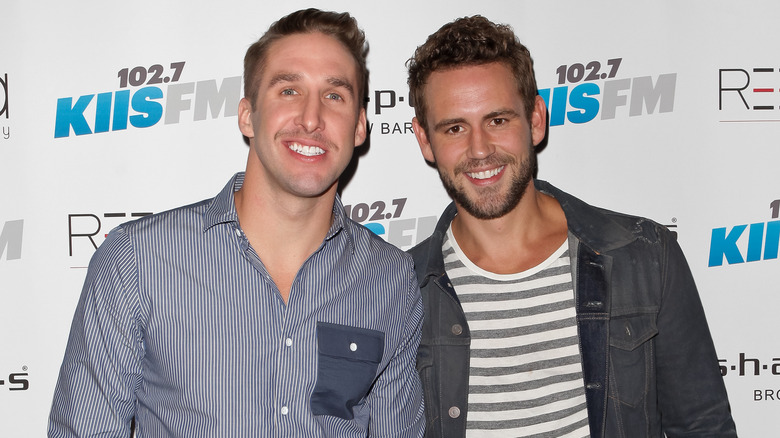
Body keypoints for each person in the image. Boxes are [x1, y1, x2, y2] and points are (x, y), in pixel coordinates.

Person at [48, 9, 425, 437]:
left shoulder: (390, 279)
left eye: (334, 96)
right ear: (247, 115)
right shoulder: (138, 261)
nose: (311, 118)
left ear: (359, 126)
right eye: (288, 90)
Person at [406, 15, 736, 438]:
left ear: (537, 119)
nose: (480, 149)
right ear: (424, 140)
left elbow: (703, 428)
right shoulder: (400, 289)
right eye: (455, 128)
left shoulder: (645, 256)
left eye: (499, 120)